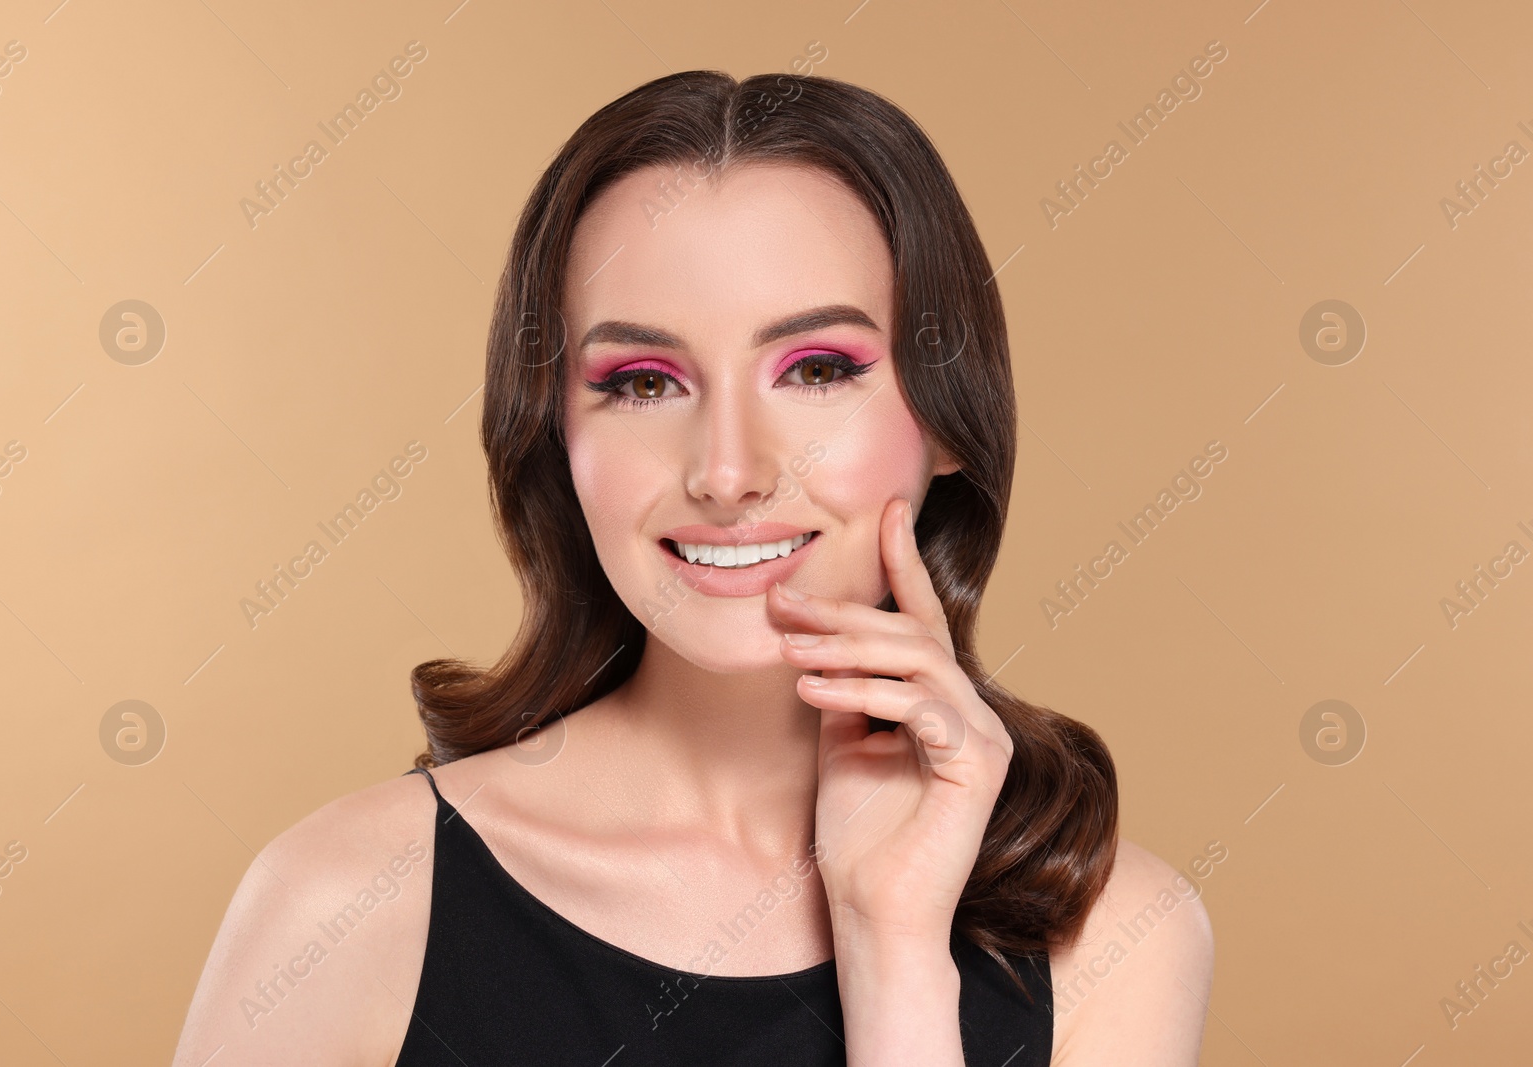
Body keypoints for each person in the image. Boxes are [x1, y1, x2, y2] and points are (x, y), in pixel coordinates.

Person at [174, 70, 1214, 1065]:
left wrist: (892, 946)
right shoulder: (349, 901)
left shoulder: (1116, 936)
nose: (727, 471)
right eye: (641, 381)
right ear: (554, 435)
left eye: (815, 370)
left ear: (950, 417)